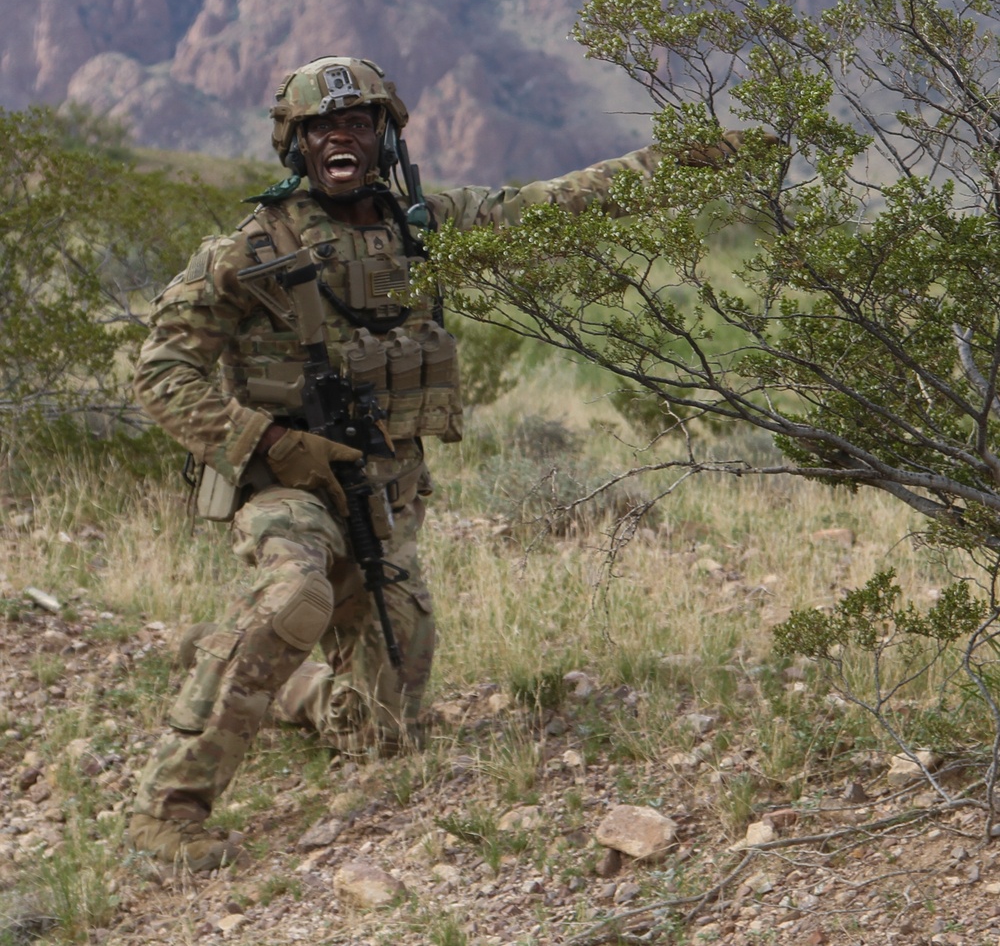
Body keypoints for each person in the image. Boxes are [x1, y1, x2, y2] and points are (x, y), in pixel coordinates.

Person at [127, 55, 746, 871]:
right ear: (295, 142)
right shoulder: (247, 250)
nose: (338, 137)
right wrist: (274, 444)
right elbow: (160, 373)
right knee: (294, 594)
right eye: (320, 126)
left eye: (355, 123)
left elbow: (544, 209)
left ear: (383, 134)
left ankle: (281, 683)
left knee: (382, 739)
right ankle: (170, 809)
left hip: (385, 497)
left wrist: (675, 166)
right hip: (287, 485)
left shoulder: (422, 224)